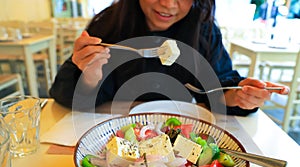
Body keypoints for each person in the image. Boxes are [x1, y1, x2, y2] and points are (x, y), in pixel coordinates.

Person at [49, 0, 289, 116]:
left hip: (183, 133)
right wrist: (89, 75)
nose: (167, 4)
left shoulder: (202, 29)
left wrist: (239, 95)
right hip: (111, 132)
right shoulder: (110, 25)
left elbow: (218, 86)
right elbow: (65, 96)